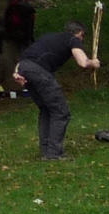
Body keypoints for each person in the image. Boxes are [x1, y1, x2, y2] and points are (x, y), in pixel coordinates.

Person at [13, 20, 97, 160]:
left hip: (24, 69)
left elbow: (24, 58)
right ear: (80, 34)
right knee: (61, 112)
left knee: (46, 109)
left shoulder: (48, 36)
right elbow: (82, 62)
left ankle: (46, 151)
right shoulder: (73, 39)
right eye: (83, 38)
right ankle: (54, 153)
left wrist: (16, 73)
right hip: (40, 72)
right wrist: (93, 63)